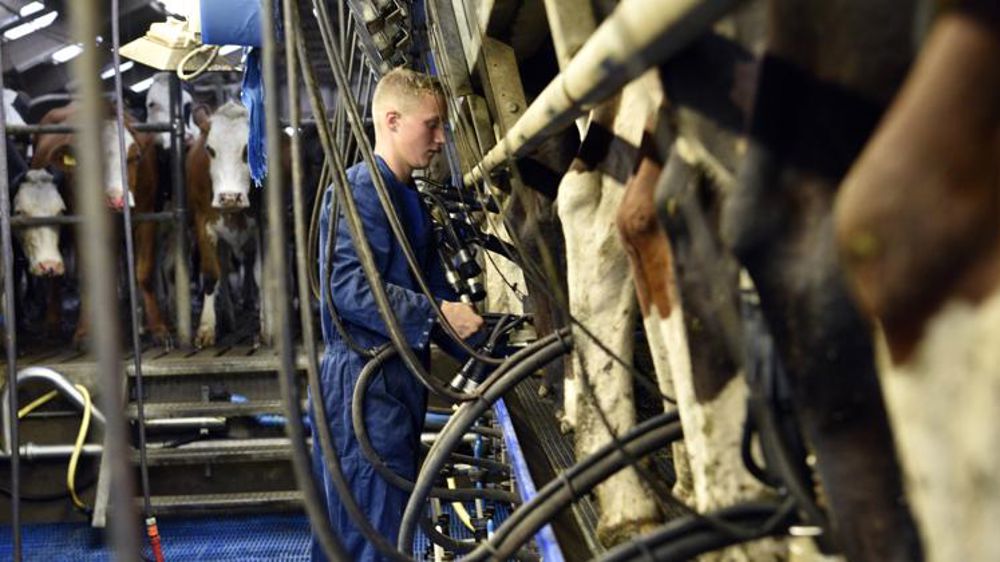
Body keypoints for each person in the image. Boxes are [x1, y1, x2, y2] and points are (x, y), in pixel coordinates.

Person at [311, 67, 484, 561]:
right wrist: (439, 317)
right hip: (363, 384)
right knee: (374, 537)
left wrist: (484, 348)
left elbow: (432, 291)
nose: (440, 138)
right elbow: (345, 288)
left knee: (384, 527)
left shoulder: (408, 196)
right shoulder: (360, 190)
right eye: (431, 125)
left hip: (396, 381)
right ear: (391, 120)